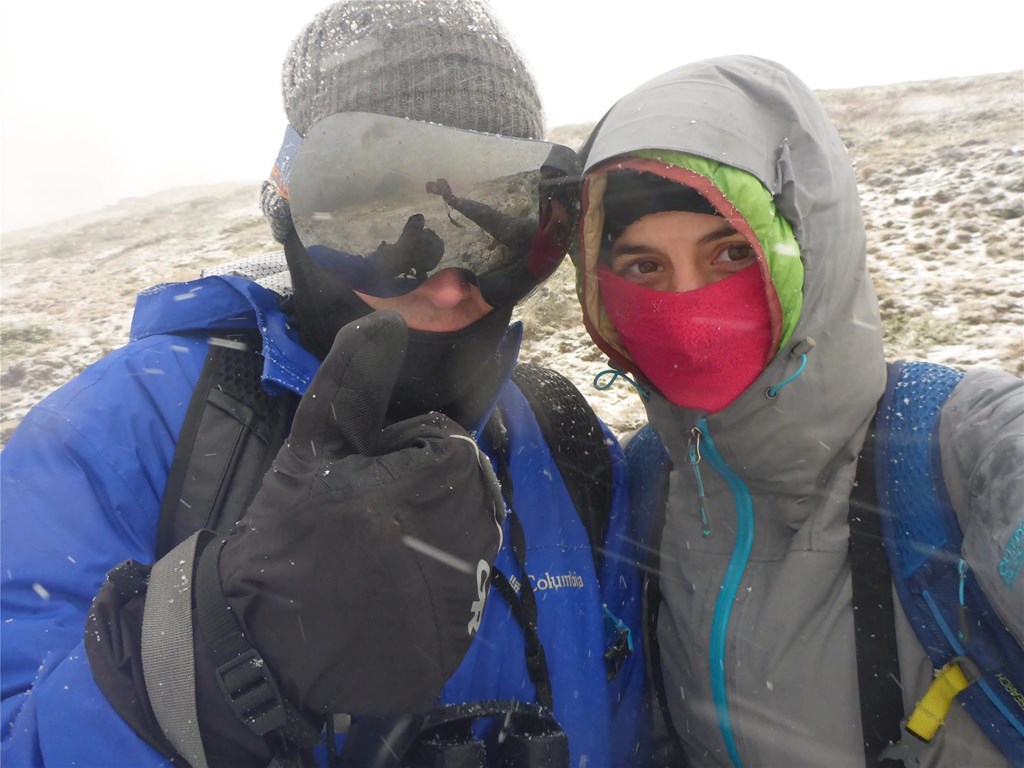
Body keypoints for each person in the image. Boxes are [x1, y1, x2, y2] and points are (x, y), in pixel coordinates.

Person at [0, 2, 648, 766]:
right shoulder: (121, 435)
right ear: (289, 212)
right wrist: (228, 660)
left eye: (504, 225)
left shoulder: (564, 440)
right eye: (377, 227)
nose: (447, 287)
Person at [571, 55, 1023, 767]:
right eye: (643, 267)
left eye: (729, 253)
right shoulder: (651, 482)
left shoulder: (964, 443)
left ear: (813, 254)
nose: (689, 314)